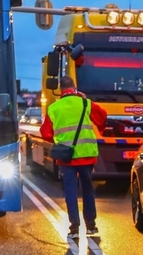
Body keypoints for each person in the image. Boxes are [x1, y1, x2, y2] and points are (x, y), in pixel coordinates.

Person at [40, 75, 106, 237]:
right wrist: (85, 99)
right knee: (87, 189)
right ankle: (91, 225)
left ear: (60, 90)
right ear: (75, 88)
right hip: (87, 155)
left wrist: (59, 138)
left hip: (66, 157)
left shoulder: (54, 108)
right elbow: (102, 117)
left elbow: (45, 133)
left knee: (70, 190)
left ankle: (74, 227)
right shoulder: (84, 103)